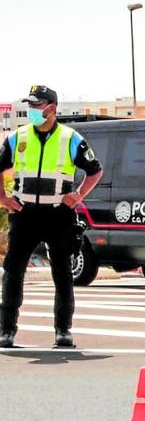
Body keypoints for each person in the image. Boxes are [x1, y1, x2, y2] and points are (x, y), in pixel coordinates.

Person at [0, 85, 103, 348]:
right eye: (31, 105)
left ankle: (63, 330)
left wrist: (78, 195)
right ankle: (7, 330)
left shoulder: (71, 139)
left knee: (62, 273)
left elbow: (95, 170)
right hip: (25, 215)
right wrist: (3, 197)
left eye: (37, 106)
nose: (32, 110)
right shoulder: (16, 138)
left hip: (58, 215)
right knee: (12, 271)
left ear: (52, 109)